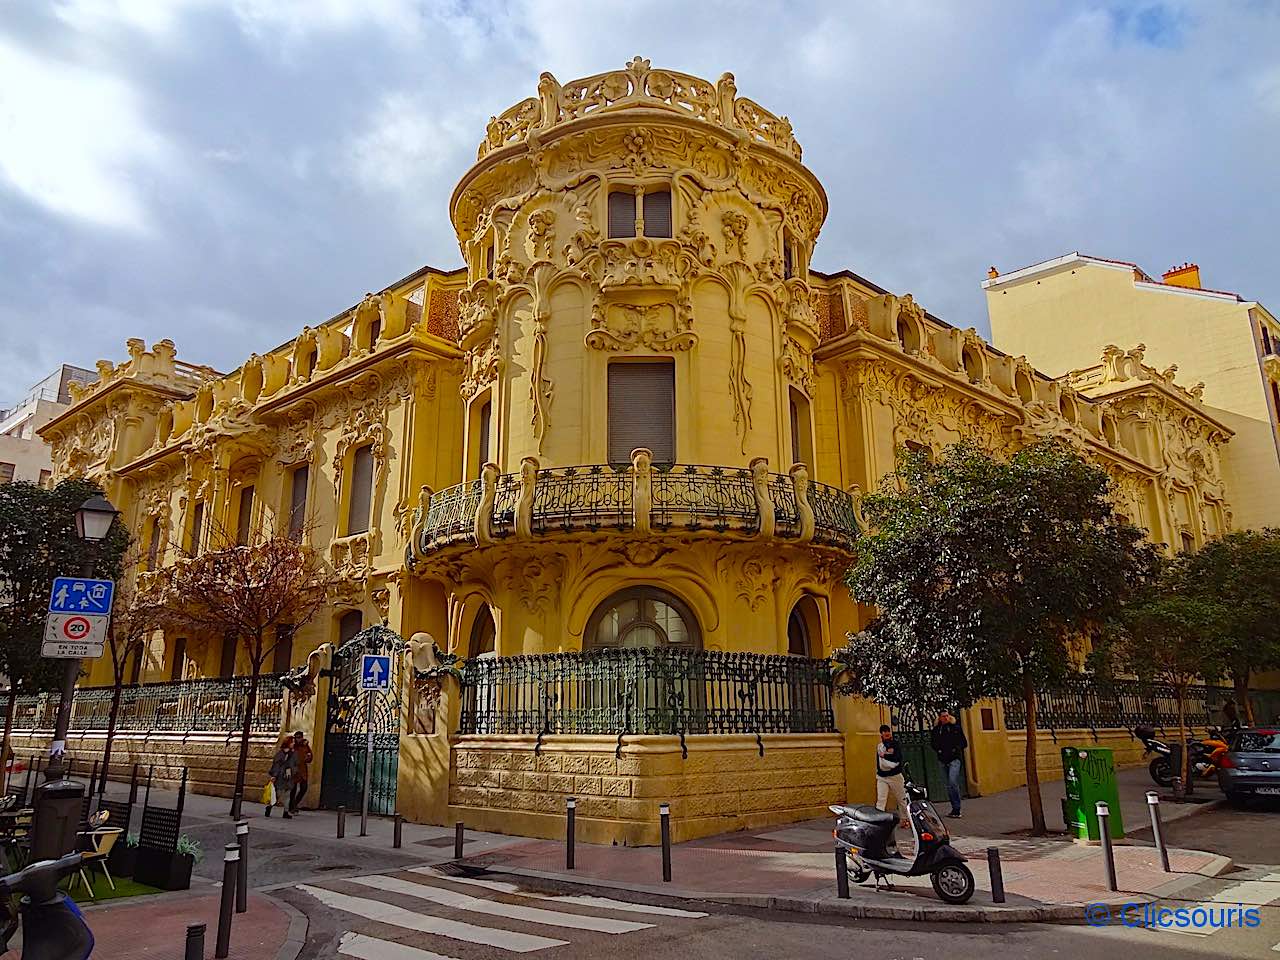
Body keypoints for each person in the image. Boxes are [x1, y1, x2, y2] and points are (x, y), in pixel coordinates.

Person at [930, 709, 968, 818]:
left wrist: (956, 749)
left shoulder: (955, 728)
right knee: (948, 785)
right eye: (943, 716)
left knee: (952, 782)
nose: (945, 718)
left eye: (947, 716)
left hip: (954, 759)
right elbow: (933, 743)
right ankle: (954, 808)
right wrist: (939, 750)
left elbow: (963, 743)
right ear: (940, 718)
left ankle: (957, 808)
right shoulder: (937, 730)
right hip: (942, 759)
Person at [875, 723, 909, 827]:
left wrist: (885, 755)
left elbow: (897, 758)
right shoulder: (880, 746)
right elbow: (879, 761)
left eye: (888, 731)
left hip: (895, 777)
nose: (886, 733)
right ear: (881, 733)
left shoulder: (895, 744)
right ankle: (878, 821)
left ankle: (905, 819)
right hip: (882, 777)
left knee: (901, 799)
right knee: (881, 799)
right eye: (884, 731)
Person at [266, 736, 296, 819]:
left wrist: (292, 771)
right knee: (277, 795)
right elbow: (276, 765)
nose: (294, 743)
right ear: (288, 743)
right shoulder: (280, 754)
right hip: (280, 777)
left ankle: (286, 812)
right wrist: (274, 775)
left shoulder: (293, 754)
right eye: (292, 742)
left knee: (287, 795)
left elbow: (295, 764)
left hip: (289, 777)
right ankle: (269, 807)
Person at [289, 731, 313, 814]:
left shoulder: (305, 746)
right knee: (293, 789)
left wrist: (308, 757)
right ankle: (291, 807)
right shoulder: (292, 746)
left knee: (304, 788)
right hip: (294, 770)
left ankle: (294, 804)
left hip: (302, 770)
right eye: (297, 737)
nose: (298, 739)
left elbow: (310, 757)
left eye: (299, 737)